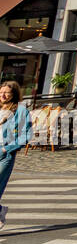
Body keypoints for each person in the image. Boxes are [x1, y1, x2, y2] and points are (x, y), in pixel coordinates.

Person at [0, 79, 33, 229]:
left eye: (6, 92)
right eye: (1, 92)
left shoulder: (21, 111)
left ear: (14, 93)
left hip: (5, 154)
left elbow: (25, 135)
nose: (3, 95)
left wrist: (7, 149)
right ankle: (0, 210)